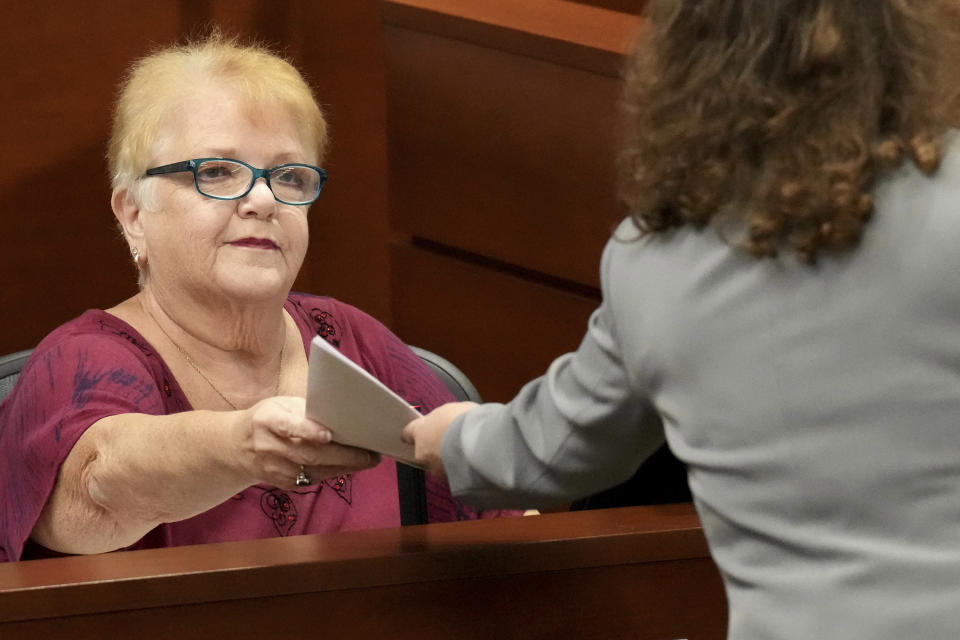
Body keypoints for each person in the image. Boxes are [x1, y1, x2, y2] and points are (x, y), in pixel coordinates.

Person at [404, 1, 960, 637]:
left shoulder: (654, 264)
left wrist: (449, 437)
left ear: (686, 63)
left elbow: (549, 451)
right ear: (897, 38)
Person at [0, 33, 513, 563]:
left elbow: (502, 523)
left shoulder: (348, 336)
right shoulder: (80, 360)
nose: (264, 200)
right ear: (133, 213)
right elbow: (99, 484)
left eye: (289, 177)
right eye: (217, 172)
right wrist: (240, 446)